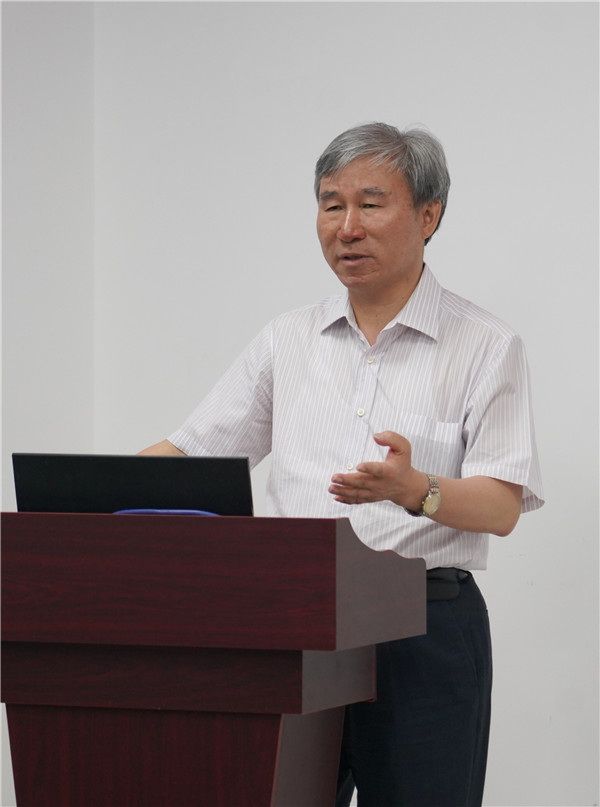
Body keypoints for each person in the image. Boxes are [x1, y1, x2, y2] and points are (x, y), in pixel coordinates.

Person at [140, 122, 544, 806]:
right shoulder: (288, 338)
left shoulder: (485, 344)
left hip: (422, 629)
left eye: (370, 204)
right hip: (291, 622)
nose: (347, 227)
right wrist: (92, 496)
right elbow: (191, 454)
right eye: (332, 205)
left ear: (428, 216)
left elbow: (502, 506)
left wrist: (417, 489)